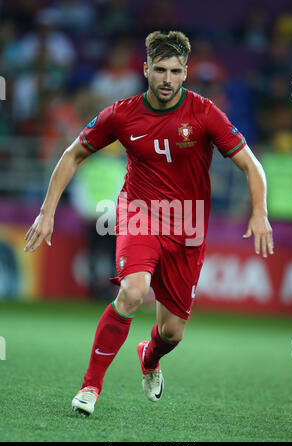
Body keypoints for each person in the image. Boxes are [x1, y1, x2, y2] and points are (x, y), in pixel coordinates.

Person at [24, 31, 274, 417]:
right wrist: (47, 210)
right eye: (159, 70)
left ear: (186, 72)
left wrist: (259, 212)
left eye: (175, 71)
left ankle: (150, 357)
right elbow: (73, 155)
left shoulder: (205, 113)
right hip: (139, 214)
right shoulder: (121, 114)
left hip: (189, 227)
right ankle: (90, 386)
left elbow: (251, 165)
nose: (167, 79)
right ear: (145, 69)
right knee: (133, 291)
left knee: (171, 333)